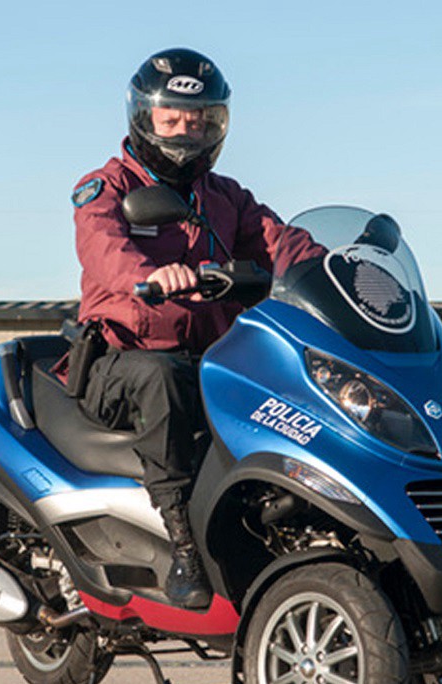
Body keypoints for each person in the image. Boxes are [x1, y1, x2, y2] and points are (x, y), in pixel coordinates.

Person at [69, 48, 288, 609]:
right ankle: (184, 546)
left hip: (208, 356)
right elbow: (104, 253)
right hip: (122, 359)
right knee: (161, 380)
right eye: (173, 120)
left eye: (199, 121)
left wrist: (333, 269)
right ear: (145, 117)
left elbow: (277, 241)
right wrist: (152, 276)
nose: (186, 133)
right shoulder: (107, 187)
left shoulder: (225, 196)